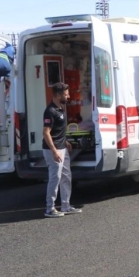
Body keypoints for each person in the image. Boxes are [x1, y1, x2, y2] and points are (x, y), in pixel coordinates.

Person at [42, 82, 82, 217]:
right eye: (66, 94)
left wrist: (65, 141)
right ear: (58, 95)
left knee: (66, 176)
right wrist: (54, 151)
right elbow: (46, 132)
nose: (69, 96)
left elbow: (57, 131)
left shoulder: (61, 108)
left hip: (62, 147)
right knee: (55, 177)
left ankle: (65, 206)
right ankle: (50, 208)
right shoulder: (50, 111)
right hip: (52, 150)